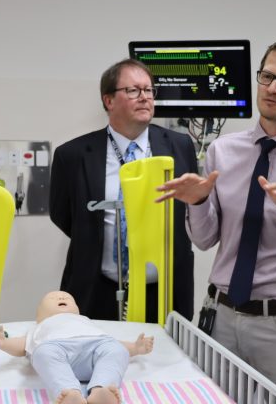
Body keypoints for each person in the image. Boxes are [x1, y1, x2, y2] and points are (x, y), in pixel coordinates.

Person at [157, 39, 276, 404]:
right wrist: (196, 201)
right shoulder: (222, 151)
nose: (273, 88)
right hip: (221, 315)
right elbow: (205, 239)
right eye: (267, 76)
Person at [50, 58, 196, 321]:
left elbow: (187, 215)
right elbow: (63, 215)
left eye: (149, 90)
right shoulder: (72, 155)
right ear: (109, 100)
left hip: (164, 292)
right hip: (97, 289)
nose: (145, 97)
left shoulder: (180, 146)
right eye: (133, 90)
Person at [0, 290, 154, 404]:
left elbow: (110, 343)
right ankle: (70, 393)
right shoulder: (38, 327)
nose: (62, 298)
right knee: (43, 354)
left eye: (68, 298)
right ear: (39, 314)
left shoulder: (85, 321)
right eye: (53, 298)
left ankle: (101, 390)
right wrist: (4, 343)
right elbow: (22, 346)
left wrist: (134, 348)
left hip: (95, 346)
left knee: (116, 350)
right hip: (57, 348)